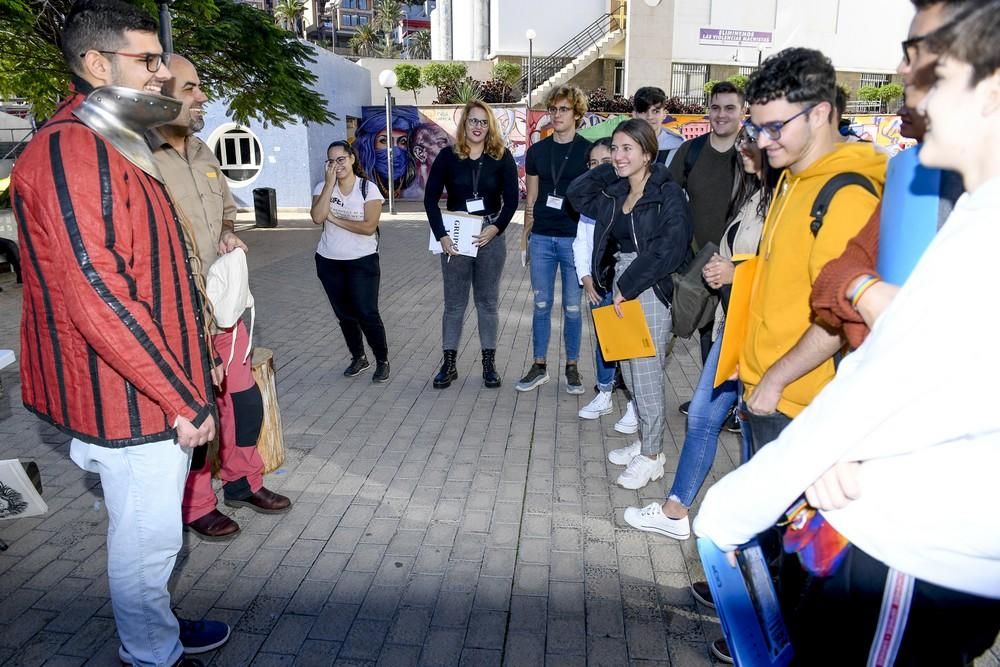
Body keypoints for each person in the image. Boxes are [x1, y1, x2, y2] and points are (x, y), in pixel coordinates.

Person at [694, 4, 1000, 662]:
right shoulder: (968, 206)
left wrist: (746, 495)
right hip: (865, 493)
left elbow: (896, 370)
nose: (903, 73)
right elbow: (839, 284)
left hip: (912, 549)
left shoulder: (888, 193)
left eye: (926, 60)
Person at [10, 0, 228, 664]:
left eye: (161, 60)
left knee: (150, 535)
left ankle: (153, 626)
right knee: (147, 540)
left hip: (147, 380)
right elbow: (99, 293)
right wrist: (182, 396)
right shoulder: (71, 150)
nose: (162, 74)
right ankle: (149, 651)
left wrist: (202, 357)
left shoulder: (113, 137)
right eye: (147, 60)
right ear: (96, 63)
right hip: (128, 397)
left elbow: (156, 270)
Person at [151, 55, 291, 542]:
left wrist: (229, 233)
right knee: (195, 412)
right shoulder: (141, 158)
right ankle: (195, 504)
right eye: (190, 88)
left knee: (245, 400)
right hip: (181, 312)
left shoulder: (204, 152)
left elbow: (228, 209)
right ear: (160, 92)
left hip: (227, 307)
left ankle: (243, 481)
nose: (202, 97)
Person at [623, 129, 776, 538]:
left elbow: (791, 275)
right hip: (734, 326)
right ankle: (677, 511)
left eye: (753, 138)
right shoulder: (756, 195)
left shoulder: (786, 199)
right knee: (705, 419)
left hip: (762, 337)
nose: (742, 146)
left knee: (752, 436)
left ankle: (751, 535)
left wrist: (736, 273)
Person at [567, 119, 692, 490]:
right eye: (615, 148)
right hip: (618, 283)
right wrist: (611, 166)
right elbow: (576, 194)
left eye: (627, 150)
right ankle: (645, 443)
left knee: (647, 372)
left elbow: (670, 248)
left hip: (648, 285)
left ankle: (652, 456)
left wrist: (629, 285)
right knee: (630, 371)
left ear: (648, 154)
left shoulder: (667, 193)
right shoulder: (616, 189)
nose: (619, 156)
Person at [423, 100, 519, 389]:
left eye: (483, 121)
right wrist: (441, 234)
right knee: (454, 305)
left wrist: (496, 227)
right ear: (464, 124)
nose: (477, 126)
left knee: (487, 303)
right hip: (456, 235)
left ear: (489, 125)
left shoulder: (502, 157)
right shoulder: (447, 157)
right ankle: (449, 364)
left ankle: (488, 365)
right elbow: (429, 199)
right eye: (472, 121)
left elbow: (512, 200)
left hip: (489, 235)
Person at [669, 81, 744, 385]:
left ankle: (736, 405)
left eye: (730, 108)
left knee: (739, 336)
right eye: (715, 107)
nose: (721, 114)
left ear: (743, 111)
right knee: (707, 336)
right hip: (701, 262)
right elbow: (667, 199)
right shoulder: (691, 151)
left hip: (742, 264)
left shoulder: (755, 155)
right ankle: (710, 399)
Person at [517, 86, 591, 394]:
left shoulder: (588, 151)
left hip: (574, 239)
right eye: (554, 109)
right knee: (542, 302)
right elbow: (531, 198)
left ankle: (572, 367)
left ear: (576, 114)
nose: (557, 115)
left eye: (564, 110)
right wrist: (524, 238)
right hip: (543, 238)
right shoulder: (537, 151)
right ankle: (539, 365)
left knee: (573, 307)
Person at [310, 140, 390, 382]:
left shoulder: (368, 189)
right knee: (344, 314)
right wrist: (329, 185)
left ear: (352, 159)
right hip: (329, 261)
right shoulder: (323, 187)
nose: (336, 165)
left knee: (366, 312)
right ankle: (358, 357)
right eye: (331, 161)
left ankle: (382, 359)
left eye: (341, 159)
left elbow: (368, 227)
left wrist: (333, 219)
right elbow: (316, 217)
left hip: (362, 262)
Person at [573, 137, 638, 433]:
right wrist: (586, 279)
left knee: (632, 342)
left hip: (627, 283)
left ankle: (637, 402)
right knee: (606, 342)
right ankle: (605, 392)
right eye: (593, 164)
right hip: (599, 283)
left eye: (606, 163)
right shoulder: (590, 204)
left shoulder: (630, 196)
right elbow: (582, 243)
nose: (599, 170)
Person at [631, 86, 685, 164]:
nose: (649, 117)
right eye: (643, 111)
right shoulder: (622, 145)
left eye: (655, 111)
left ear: (664, 114)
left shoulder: (678, 147)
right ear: (634, 115)